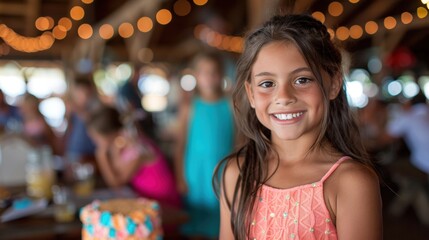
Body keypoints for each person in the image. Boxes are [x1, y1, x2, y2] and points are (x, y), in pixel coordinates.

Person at [213, 14, 382, 239]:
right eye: (267, 84)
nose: (283, 96)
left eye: (302, 80)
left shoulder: (351, 183)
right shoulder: (238, 173)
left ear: (333, 84)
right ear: (251, 94)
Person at [175, 51, 235, 238]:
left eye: (213, 72)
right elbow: (180, 144)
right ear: (196, 75)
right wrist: (180, 176)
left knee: (221, 219)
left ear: (221, 74)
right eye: (203, 72)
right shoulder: (190, 105)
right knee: (195, 219)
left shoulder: (230, 104)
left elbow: (239, 140)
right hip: (195, 171)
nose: (209, 77)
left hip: (222, 170)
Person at [87, 105, 181, 208]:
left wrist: (102, 157)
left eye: (97, 138)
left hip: (164, 204)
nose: (94, 142)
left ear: (111, 134)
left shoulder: (137, 148)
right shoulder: (123, 144)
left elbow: (116, 183)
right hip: (148, 199)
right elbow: (117, 170)